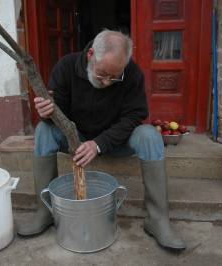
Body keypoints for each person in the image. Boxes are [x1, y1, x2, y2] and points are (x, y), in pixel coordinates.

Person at [17, 30, 186, 251]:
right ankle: (45, 211)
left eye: (114, 76)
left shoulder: (132, 74)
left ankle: (158, 219)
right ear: (90, 55)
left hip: (116, 141)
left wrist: (99, 144)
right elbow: (56, 113)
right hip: (76, 139)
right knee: (43, 131)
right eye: (102, 73)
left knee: (150, 136)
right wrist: (47, 111)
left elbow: (134, 116)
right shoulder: (66, 67)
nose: (107, 81)